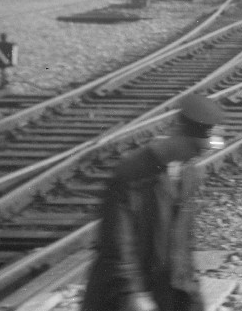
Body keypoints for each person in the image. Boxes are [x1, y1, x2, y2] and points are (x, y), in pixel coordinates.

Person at [83, 94, 227, 311]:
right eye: (195, 148)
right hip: (124, 292)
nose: (196, 156)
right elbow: (117, 244)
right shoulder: (131, 172)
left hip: (169, 288)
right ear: (178, 132)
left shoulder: (189, 174)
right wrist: (134, 295)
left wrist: (191, 291)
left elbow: (183, 242)